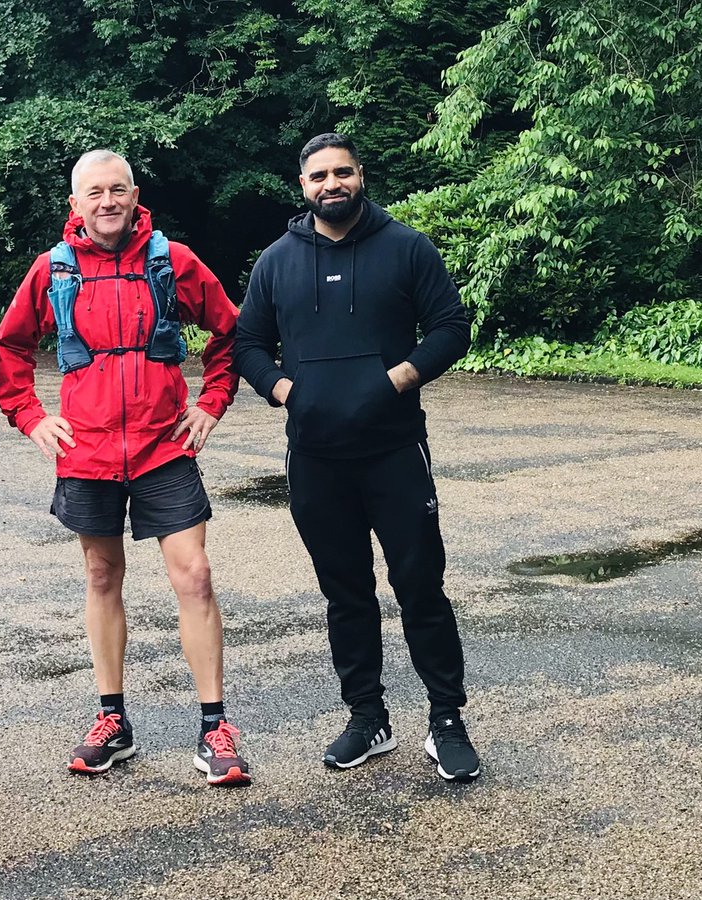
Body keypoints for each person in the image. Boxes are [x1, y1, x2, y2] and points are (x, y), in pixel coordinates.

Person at [0, 149, 250, 786]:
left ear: (136, 196)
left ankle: (215, 725)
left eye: (117, 190)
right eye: (93, 194)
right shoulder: (53, 270)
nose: (107, 202)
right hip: (89, 451)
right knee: (102, 575)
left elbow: (232, 332)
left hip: (165, 446)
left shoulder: (173, 261)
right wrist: (32, 417)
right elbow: (8, 347)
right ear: (74, 206)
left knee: (195, 577)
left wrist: (212, 404)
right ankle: (113, 720)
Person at [234, 133, 481, 782]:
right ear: (303, 185)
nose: (331, 183)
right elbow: (249, 345)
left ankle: (446, 720)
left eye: (342, 172)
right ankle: (366, 718)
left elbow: (452, 328)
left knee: (420, 587)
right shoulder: (277, 262)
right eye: (319, 175)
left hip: (394, 451)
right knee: (346, 594)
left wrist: (395, 379)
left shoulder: (406, 247)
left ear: (360, 175)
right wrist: (288, 391)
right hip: (317, 459)